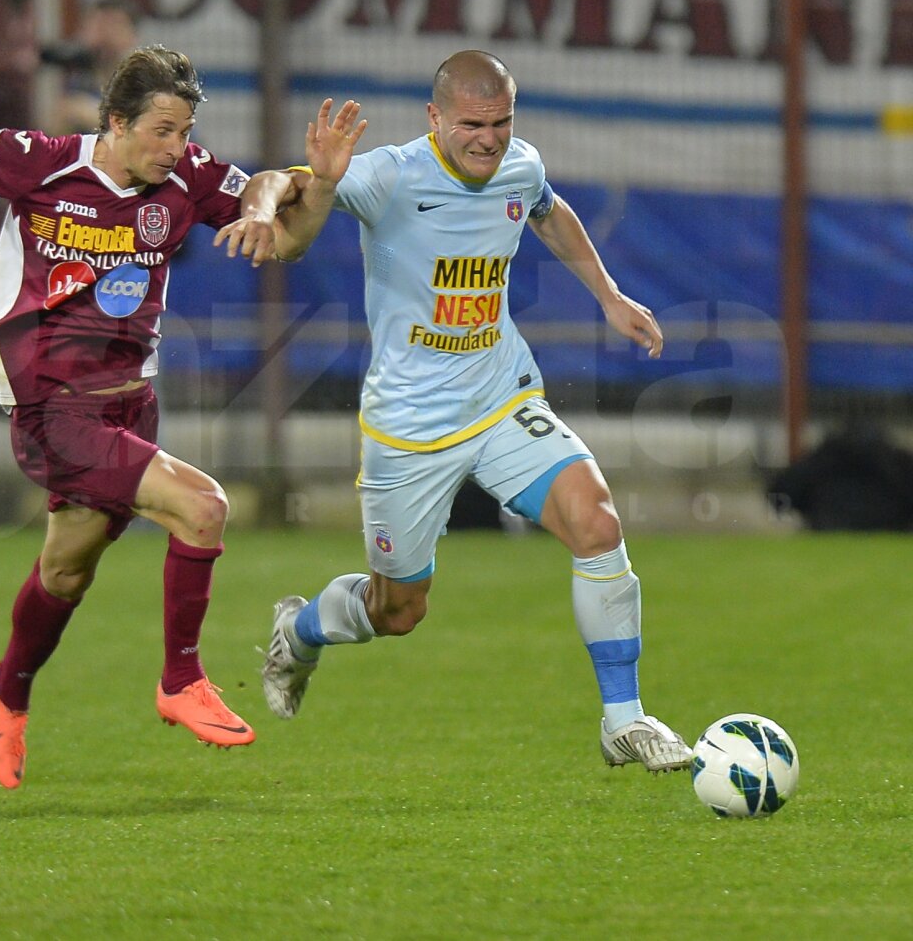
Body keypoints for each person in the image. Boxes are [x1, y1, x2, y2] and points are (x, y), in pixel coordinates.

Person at [0, 45, 367, 789]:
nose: (175, 147)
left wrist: (316, 186)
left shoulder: (187, 176)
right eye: (162, 130)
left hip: (130, 401)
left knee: (66, 571)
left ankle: (8, 686)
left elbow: (284, 228)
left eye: (184, 131)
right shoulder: (43, 162)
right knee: (203, 508)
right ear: (116, 123)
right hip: (51, 408)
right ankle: (181, 680)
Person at [255, 50, 692, 774]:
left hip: (500, 397)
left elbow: (549, 211)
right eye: (471, 125)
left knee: (596, 522)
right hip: (408, 425)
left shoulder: (520, 165)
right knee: (398, 611)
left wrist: (609, 295)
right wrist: (288, 193)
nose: (489, 140)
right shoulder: (390, 175)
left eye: (501, 123)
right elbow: (283, 193)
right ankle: (300, 631)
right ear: (435, 118)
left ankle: (625, 720)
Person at [43, 0, 141, 136]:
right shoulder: (80, 80)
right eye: (97, 25)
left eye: (114, 25)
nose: (105, 34)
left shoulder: (143, 83)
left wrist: (87, 113)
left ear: (132, 35)